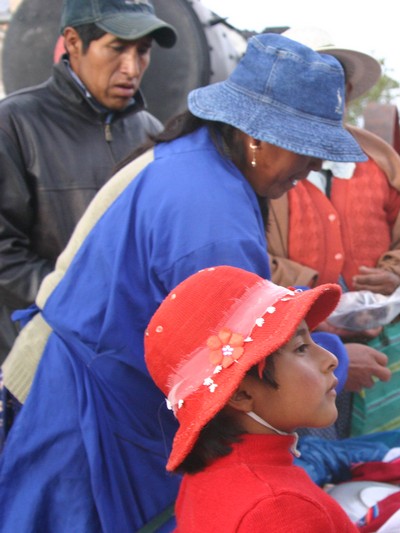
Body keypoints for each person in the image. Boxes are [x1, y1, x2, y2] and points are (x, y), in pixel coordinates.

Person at [0, 33, 375, 532]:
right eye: (306, 148)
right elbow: (238, 365)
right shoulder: (210, 217)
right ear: (256, 137)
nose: (314, 167)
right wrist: (339, 361)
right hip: (84, 415)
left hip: (89, 386)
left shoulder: (199, 160)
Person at [0, 0, 177, 363]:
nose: (132, 67)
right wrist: (84, 302)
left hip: (125, 357)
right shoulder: (14, 124)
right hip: (42, 357)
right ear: (73, 42)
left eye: (142, 51)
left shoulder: (151, 134)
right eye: (117, 48)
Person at [144, 266, 357, 532]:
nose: (331, 359)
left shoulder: (208, 475)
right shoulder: (279, 509)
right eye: (301, 348)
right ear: (241, 393)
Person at [268, 27, 400, 313]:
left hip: (387, 341)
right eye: (307, 83)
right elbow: (242, 259)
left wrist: (398, 276)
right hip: (297, 345)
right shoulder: (259, 166)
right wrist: (308, 290)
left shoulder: (381, 162)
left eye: (332, 82)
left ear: (346, 91)